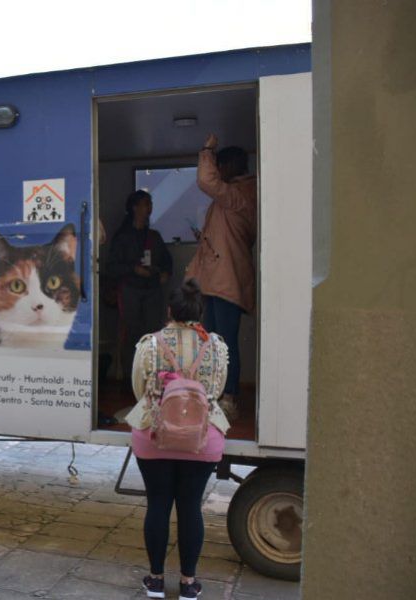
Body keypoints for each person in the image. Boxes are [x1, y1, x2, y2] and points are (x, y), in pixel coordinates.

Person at [125, 279, 230, 600]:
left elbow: (138, 391)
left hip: (154, 435)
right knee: (190, 507)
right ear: (199, 311)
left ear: (169, 310)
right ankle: (188, 583)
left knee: (157, 504)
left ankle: (155, 580)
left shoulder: (150, 345)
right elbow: (217, 391)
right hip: (202, 438)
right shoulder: (216, 346)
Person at [185, 133, 256, 420]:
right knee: (212, 342)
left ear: (231, 167)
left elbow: (207, 181)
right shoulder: (235, 197)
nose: (219, 172)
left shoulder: (240, 193)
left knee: (223, 343)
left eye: (221, 165)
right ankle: (215, 394)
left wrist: (206, 151)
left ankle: (229, 398)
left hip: (226, 281)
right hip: (217, 279)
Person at [107, 190, 173, 372]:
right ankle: (133, 377)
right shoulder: (122, 237)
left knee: (154, 333)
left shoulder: (154, 236)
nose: (149, 207)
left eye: (150, 203)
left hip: (152, 291)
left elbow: (167, 261)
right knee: (132, 334)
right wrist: (134, 269)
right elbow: (111, 267)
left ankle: (153, 375)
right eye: (145, 203)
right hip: (130, 291)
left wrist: (165, 273)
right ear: (134, 208)